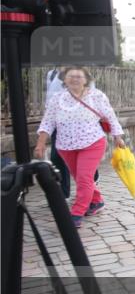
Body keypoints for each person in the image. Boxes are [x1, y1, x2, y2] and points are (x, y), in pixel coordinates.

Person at [34, 66, 126, 228]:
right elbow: (48, 122)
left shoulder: (96, 96)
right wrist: (40, 144)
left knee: (84, 178)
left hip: (92, 142)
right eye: (71, 76)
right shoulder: (57, 99)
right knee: (81, 178)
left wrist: (118, 137)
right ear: (64, 79)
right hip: (65, 145)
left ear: (86, 80)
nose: (75, 79)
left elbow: (110, 116)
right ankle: (96, 201)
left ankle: (77, 213)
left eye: (78, 76)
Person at [43, 67, 99, 198]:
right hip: (58, 121)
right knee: (57, 156)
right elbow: (49, 98)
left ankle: (93, 184)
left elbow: (92, 97)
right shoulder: (52, 74)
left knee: (83, 158)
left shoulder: (82, 72)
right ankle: (62, 193)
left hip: (80, 123)